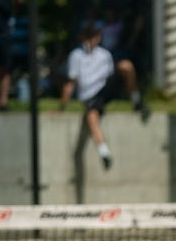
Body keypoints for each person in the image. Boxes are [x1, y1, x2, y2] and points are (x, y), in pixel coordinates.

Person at [59, 26, 150, 170]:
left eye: (95, 37)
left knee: (126, 66)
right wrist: (62, 107)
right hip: (90, 95)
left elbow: (111, 73)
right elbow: (70, 83)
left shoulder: (104, 54)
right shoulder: (76, 56)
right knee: (91, 115)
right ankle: (104, 153)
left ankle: (136, 101)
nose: (93, 41)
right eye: (90, 37)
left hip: (106, 88)